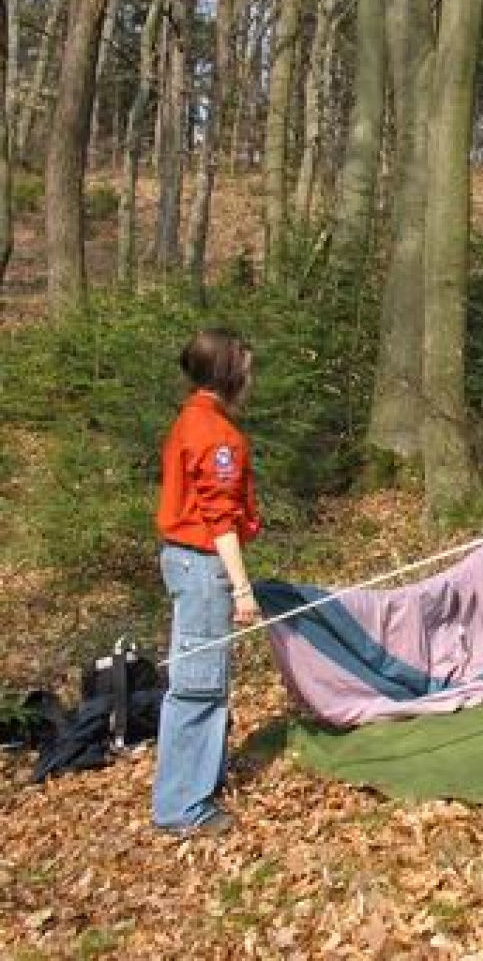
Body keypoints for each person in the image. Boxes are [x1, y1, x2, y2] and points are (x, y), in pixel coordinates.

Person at [152, 329, 263, 835]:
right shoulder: (215, 434)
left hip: (192, 562)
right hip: (201, 566)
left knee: (208, 677)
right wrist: (241, 587)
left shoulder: (198, 419)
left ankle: (201, 781)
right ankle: (183, 808)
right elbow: (219, 518)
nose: (251, 376)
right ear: (229, 372)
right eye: (246, 365)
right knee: (197, 684)